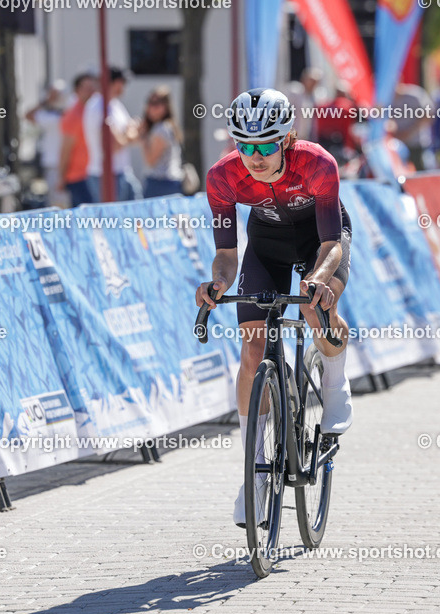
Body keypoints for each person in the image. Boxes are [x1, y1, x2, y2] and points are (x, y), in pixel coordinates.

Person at [195, 88, 353, 528]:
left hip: (320, 241)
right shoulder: (223, 177)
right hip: (266, 245)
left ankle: (337, 385)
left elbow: (330, 243)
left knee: (312, 308)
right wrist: (218, 283)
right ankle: (255, 474)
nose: (255, 155)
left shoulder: (318, 163)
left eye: (266, 144)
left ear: (288, 139)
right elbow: (227, 253)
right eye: (245, 145)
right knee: (252, 352)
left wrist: (320, 279)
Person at [83, 66, 143, 201]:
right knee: (113, 221)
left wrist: (126, 135)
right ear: (116, 83)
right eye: (123, 82)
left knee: (137, 217)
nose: (124, 87)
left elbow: (136, 134)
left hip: (123, 172)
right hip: (104, 176)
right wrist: (128, 133)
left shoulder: (116, 105)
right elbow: (115, 145)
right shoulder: (97, 107)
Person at [57, 72, 97, 207]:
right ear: (77, 91)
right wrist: (61, 177)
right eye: (86, 88)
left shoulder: (94, 111)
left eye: (93, 88)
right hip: (78, 177)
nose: (91, 92)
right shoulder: (73, 116)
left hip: (93, 174)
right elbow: (66, 149)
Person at [26, 80, 68, 207]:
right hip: (55, 164)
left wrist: (46, 101)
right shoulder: (56, 116)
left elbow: (29, 115)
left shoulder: (55, 119)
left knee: (58, 203)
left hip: (58, 165)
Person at [139, 86, 184, 198]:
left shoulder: (161, 128)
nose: (151, 107)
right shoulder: (167, 126)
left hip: (160, 184)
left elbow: (150, 161)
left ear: (166, 106)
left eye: (156, 103)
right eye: (150, 102)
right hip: (169, 184)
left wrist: (143, 138)